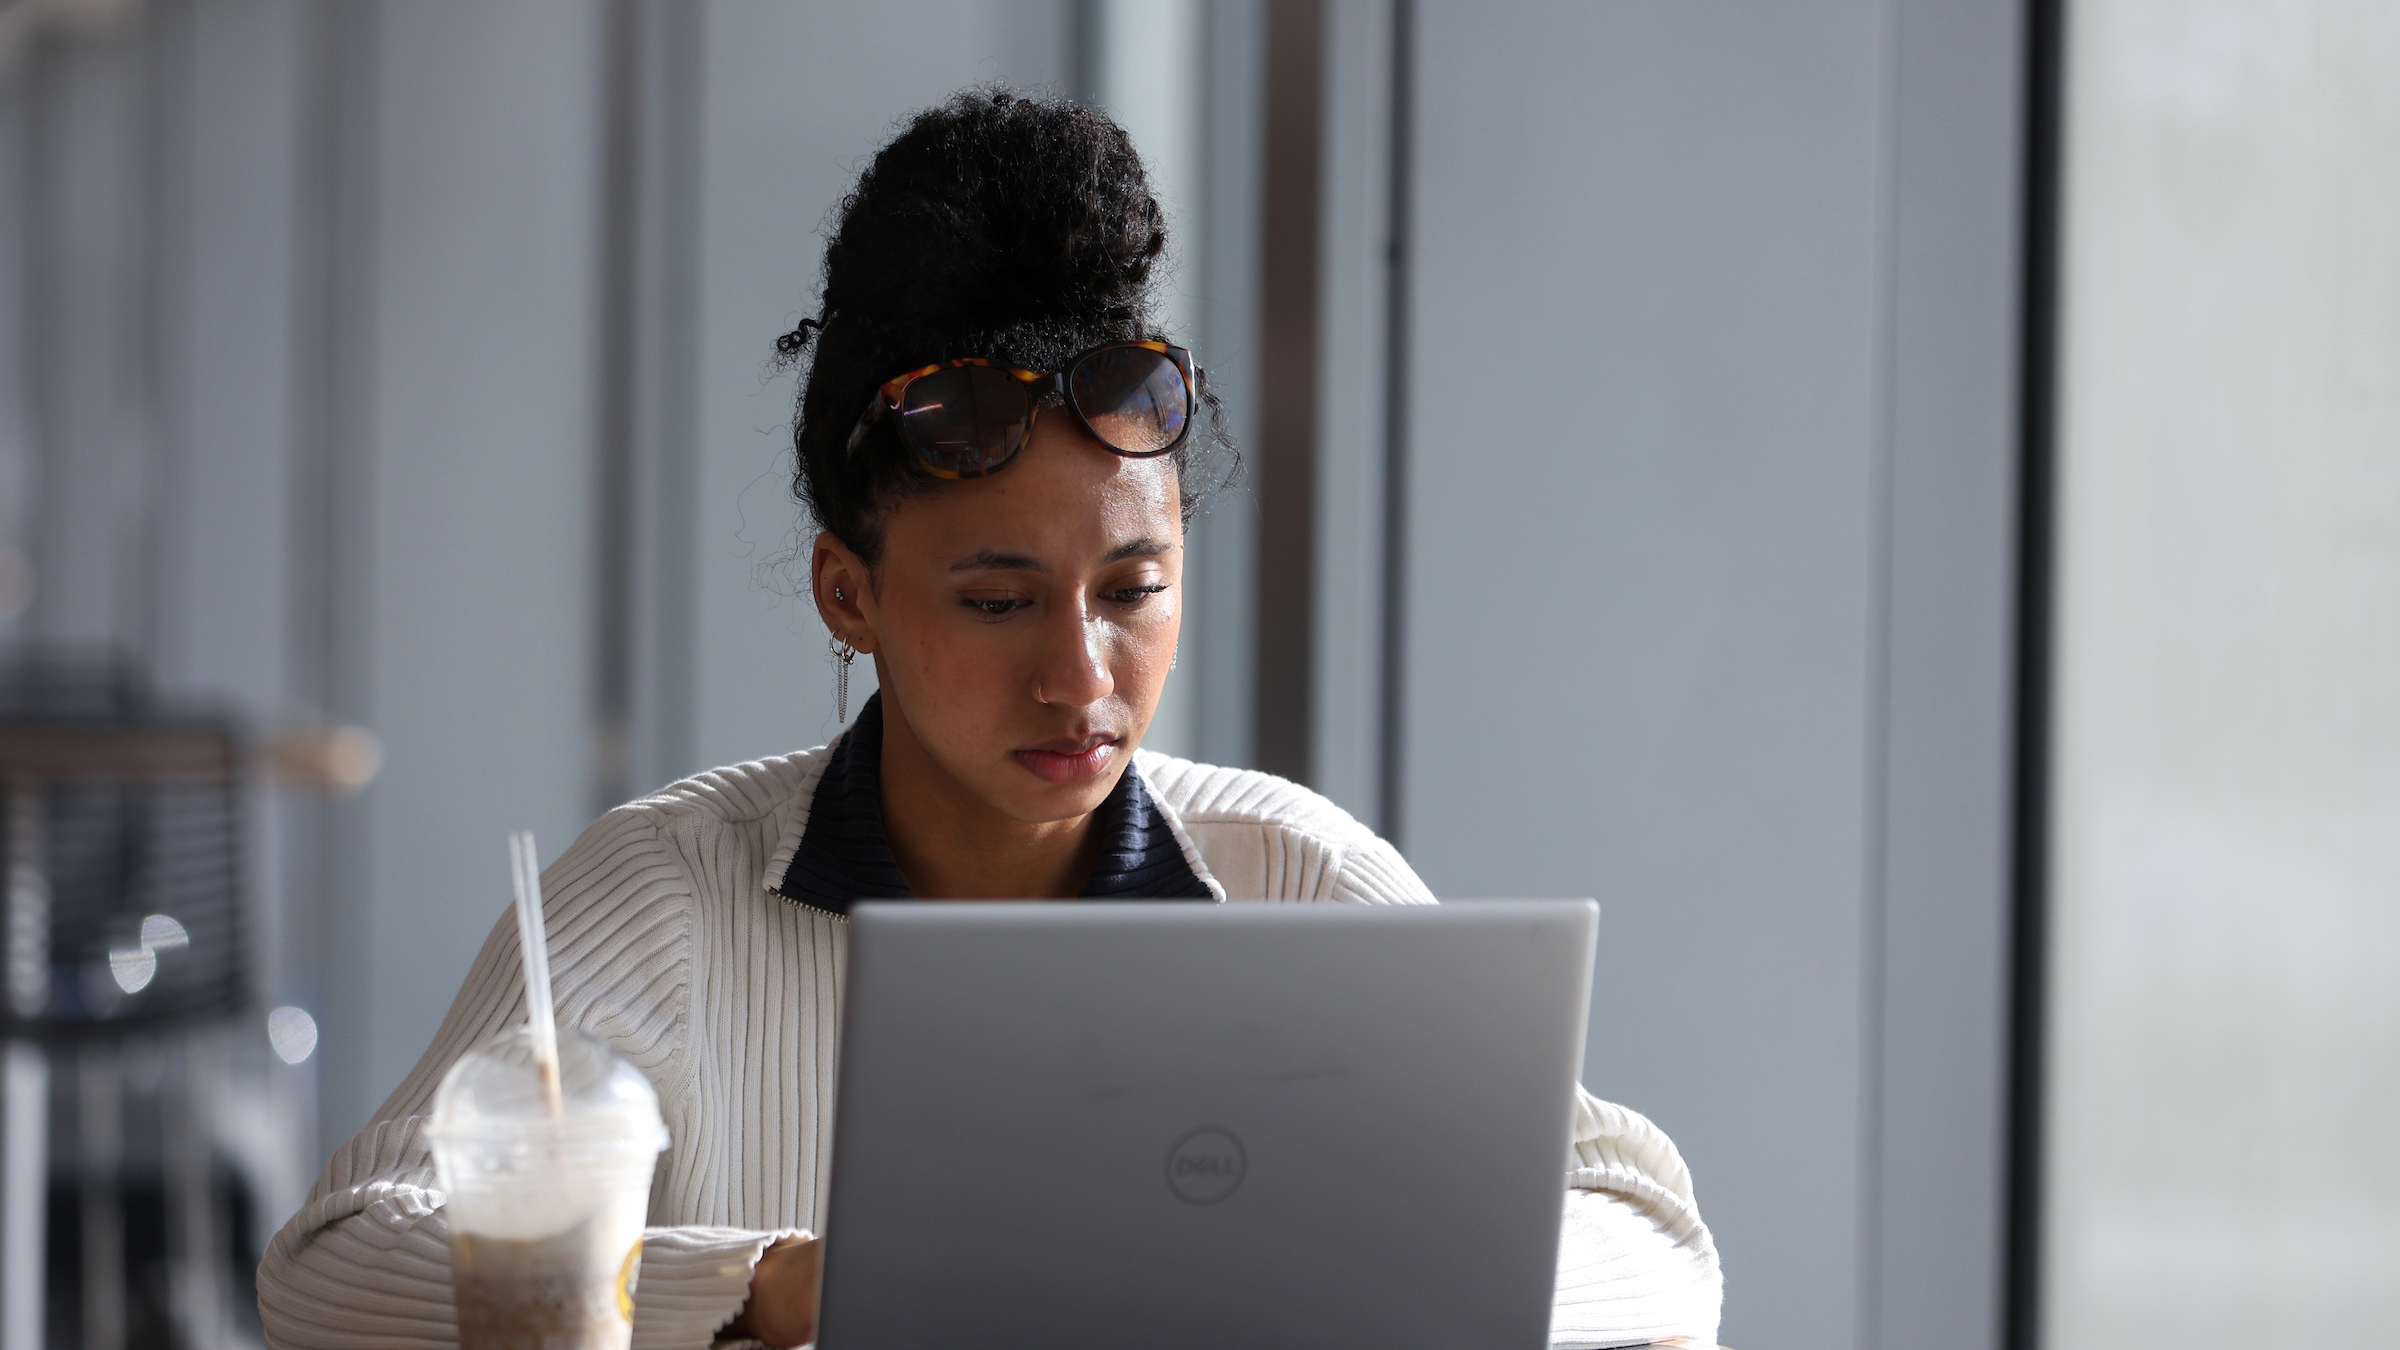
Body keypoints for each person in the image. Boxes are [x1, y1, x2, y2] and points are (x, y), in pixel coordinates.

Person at [255, 88, 1722, 1350]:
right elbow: (329, 1270)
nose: (1083, 678)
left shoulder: (1294, 875)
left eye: (1134, 590)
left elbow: (1654, 1230)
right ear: (851, 592)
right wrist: (766, 1286)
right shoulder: (667, 900)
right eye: (1001, 600)